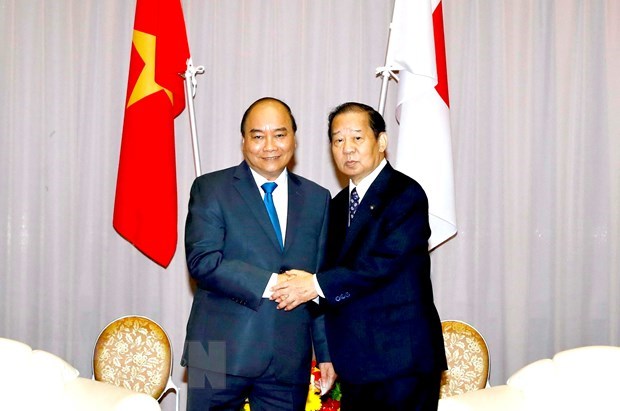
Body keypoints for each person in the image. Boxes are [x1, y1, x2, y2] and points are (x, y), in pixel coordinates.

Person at [271, 102, 447, 411]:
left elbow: (382, 264)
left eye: (357, 138)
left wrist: (314, 284)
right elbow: (327, 280)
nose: (347, 148)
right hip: (355, 366)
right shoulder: (336, 206)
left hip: (402, 362)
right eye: (338, 140)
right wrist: (325, 351)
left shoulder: (405, 194)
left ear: (381, 142)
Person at [182, 97, 335, 411]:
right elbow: (203, 262)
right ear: (243, 142)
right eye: (257, 135)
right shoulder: (209, 188)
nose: (270, 145)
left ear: (294, 138)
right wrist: (274, 283)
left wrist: (326, 353)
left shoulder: (318, 198)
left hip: (287, 355)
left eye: (279, 134)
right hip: (214, 350)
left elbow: (317, 282)